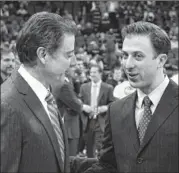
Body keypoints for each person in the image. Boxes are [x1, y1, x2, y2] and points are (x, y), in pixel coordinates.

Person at [84, 21, 178, 173]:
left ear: (161, 60)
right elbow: (108, 165)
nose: (127, 64)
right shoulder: (115, 110)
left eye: (138, 56)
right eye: (124, 55)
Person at [1, 12, 77, 173]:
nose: (74, 62)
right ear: (43, 55)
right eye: (68, 55)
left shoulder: (45, 94)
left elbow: (52, 159)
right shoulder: (7, 106)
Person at [80, 64, 114, 158]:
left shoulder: (108, 88)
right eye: (91, 72)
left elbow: (112, 103)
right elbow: (79, 102)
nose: (92, 74)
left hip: (101, 121)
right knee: (89, 148)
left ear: (100, 73)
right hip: (88, 121)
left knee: (101, 147)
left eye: (94, 72)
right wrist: (83, 106)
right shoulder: (84, 87)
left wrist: (105, 108)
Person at [54, 57, 83, 156]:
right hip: (68, 128)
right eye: (73, 66)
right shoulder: (63, 85)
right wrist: (79, 102)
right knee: (70, 160)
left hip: (70, 125)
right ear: (65, 68)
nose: (76, 68)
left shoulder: (69, 81)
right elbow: (78, 106)